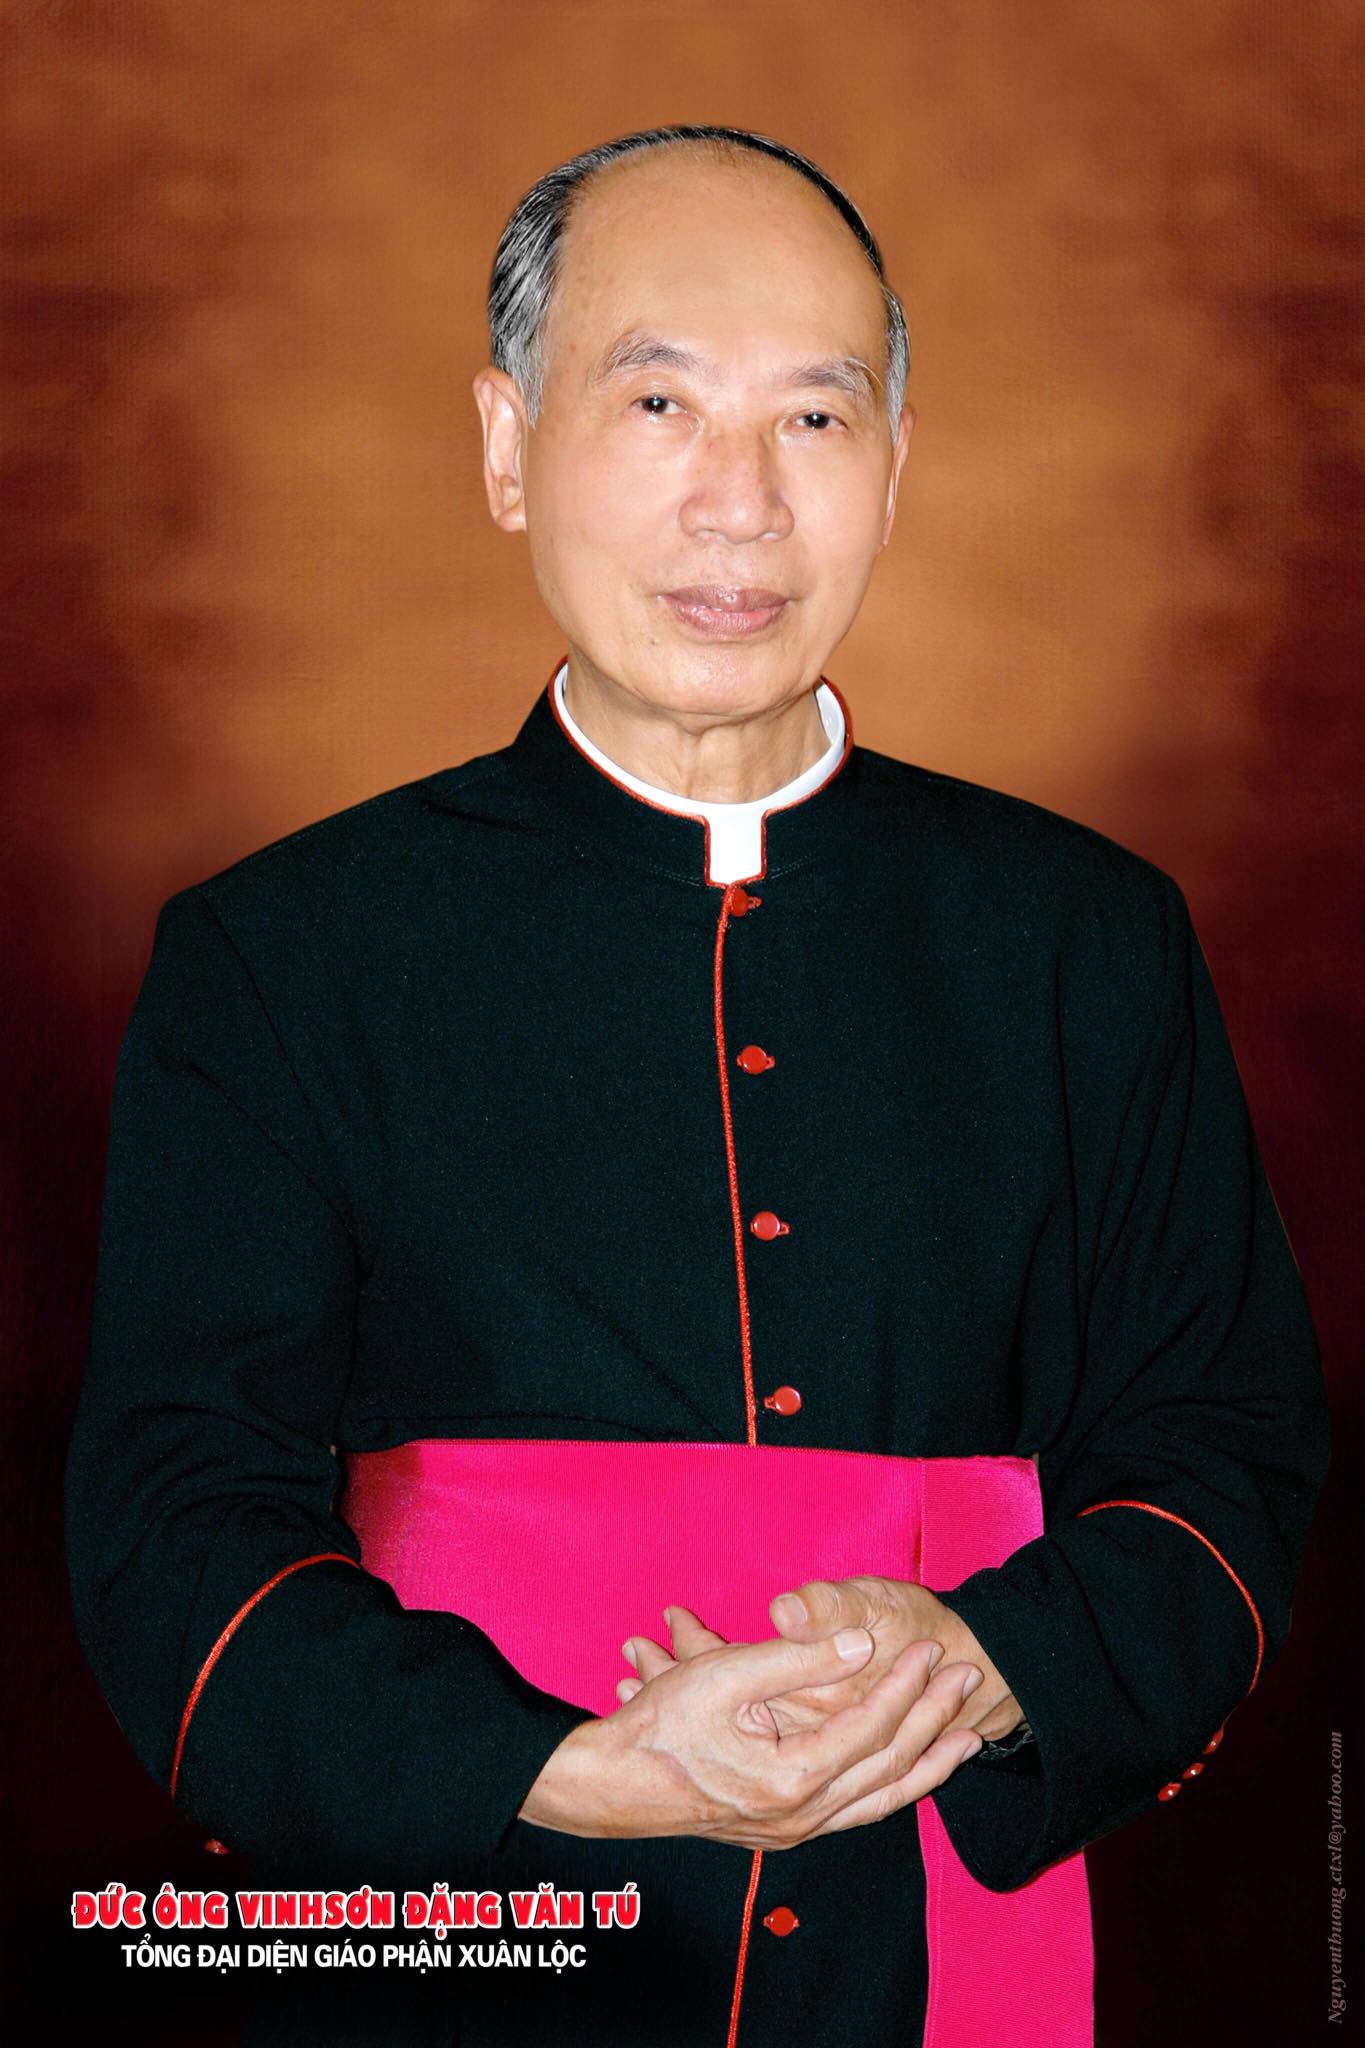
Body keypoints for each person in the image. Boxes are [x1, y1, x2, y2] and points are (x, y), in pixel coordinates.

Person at [64, 124, 1331, 2048]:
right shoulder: (285, 953)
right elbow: (174, 1514)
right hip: (470, 1915)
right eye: (656, 402)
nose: (741, 504)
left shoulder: (1085, 939)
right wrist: (564, 1769)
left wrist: (992, 1660)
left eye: (813, 419)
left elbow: (1222, 1444)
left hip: (942, 1908)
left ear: (894, 469)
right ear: (507, 446)